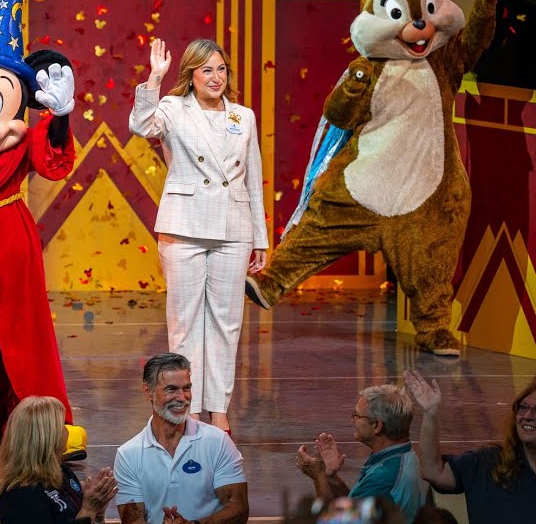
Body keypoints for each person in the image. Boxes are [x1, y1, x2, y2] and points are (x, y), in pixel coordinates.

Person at [128, 38, 268, 434]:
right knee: (185, 322)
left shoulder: (244, 117)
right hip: (184, 225)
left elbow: (253, 180)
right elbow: (140, 125)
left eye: (221, 69)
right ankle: (183, 409)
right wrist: (155, 78)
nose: (216, 77)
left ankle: (219, 411)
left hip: (233, 227)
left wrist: (260, 236)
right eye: (206, 70)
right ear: (190, 75)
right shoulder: (172, 109)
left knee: (227, 323)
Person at [114, 353, 248, 524]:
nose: (182, 397)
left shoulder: (218, 442)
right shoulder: (128, 455)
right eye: (171, 389)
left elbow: (239, 509)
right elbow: (132, 520)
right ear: (148, 391)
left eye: (187, 388)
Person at [404, 369, 536, 522]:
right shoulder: (489, 463)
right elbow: (433, 471)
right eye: (523, 407)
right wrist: (430, 413)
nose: (527, 416)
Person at [294, 384, 424, 523]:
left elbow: (333, 522)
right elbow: (355, 507)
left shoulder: (385, 477)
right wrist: (330, 476)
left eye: (357, 415)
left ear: (377, 426)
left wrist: (318, 476)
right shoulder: (399, 456)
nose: (352, 419)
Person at [0, 396, 117, 523]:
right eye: (62, 426)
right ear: (47, 439)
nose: (67, 431)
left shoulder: (62, 472)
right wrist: (89, 509)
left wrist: (98, 514)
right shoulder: (22, 496)